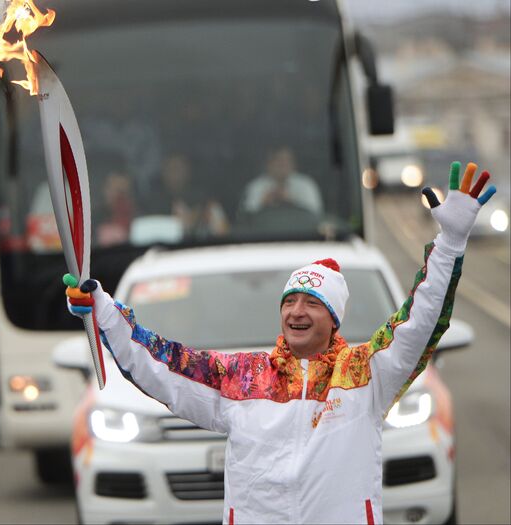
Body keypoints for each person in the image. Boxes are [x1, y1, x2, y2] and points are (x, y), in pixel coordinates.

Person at [65, 162, 495, 524]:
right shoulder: (242, 378)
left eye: (312, 302)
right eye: (289, 302)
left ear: (333, 318)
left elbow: (419, 322)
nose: (296, 312)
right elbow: (162, 363)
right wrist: (103, 309)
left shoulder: (366, 373)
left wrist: (450, 243)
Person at [240, 146, 323, 216]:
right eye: (278, 160)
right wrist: (263, 203)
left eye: (287, 160)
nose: (283, 165)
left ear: (293, 164)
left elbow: (315, 215)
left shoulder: (306, 184)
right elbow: (245, 218)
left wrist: (290, 201)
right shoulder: (256, 186)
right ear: (268, 164)